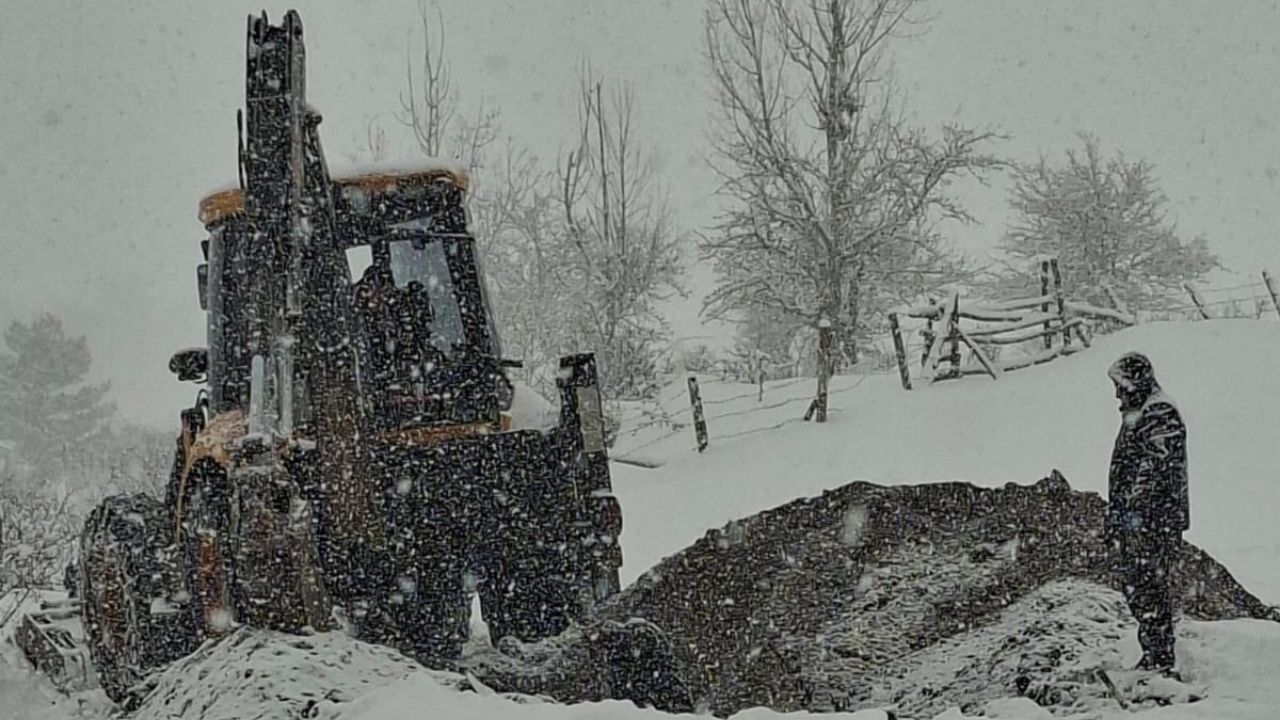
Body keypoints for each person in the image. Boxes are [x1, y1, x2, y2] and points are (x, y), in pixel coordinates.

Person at [1106, 351, 1189, 675]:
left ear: (1135, 381)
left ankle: (1160, 658)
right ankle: (1153, 653)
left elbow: (1154, 466)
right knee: (1140, 586)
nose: (1116, 392)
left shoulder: (1158, 411)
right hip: (1145, 519)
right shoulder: (1144, 411)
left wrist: (1133, 511)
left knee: (1148, 586)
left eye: (1119, 384)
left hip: (1153, 520)